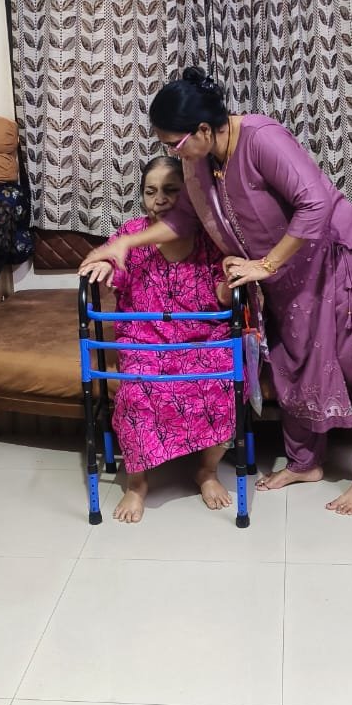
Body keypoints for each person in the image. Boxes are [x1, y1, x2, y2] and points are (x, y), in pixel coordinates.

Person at [81, 69, 352, 517]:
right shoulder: (198, 163)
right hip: (287, 275)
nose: (171, 153)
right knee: (292, 361)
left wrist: (266, 264)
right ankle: (305, 462)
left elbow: (315, 202)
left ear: (203, 130)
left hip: (335, 258)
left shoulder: (261, 138)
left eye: (174, 144)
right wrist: (125, 243)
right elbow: (183, 220)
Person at [80, 156, 236, 523]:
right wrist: (102, 265)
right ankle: (137, 484)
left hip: (202, 340)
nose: (160, 199)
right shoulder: (132, 234)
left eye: (171, 190)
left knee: (224, 385)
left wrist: (230, 282)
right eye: (151, 192)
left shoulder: (209, 238)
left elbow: (224, 297)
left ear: (190, 194)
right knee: (137, 392)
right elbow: (109, 263)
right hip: (144, 341)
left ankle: (206, 472)